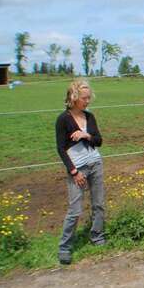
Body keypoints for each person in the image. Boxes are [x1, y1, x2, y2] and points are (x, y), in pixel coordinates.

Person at [55, 80, 106, 265]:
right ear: (74, 98)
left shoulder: (89, 117)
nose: (87, 101)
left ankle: (97, 237)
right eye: (84, 98)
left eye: (89, 98)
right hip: (78, 169)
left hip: (95, 164)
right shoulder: (63, 119)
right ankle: (65, 247)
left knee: (98, 204)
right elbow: (61, 149)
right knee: (75, 210)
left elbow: (98, 141)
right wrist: (74, 172)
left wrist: (86, 135)